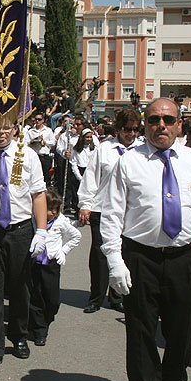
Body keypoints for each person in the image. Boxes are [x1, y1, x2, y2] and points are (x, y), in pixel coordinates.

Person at [101, 97, 191, 381]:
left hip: (185, 257)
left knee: (182, 328)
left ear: (179, 125)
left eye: (168, 120)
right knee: (141, 330)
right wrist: (114, 260)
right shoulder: (128, 162)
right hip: (141, 257)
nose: (161, 126)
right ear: (145, 124)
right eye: (154, 119)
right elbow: (113, 215)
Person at [0, 121, 47, 372]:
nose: (1, 132)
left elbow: (38, 194)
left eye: (7, 127)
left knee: (21, 288)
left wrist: (41, 230)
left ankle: (19, 335)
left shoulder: (27, 155)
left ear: (15, 129)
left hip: (19, 229)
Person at [77, 109, 143, 314]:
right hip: (103, 207)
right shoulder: (104, 149)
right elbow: (92, 177)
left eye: (135, 130)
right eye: (126, 129)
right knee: (99, 254)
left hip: (130, 210)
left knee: (124, 253)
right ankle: (96, 296)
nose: (131, 134)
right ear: (117, 129)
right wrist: (85, 204)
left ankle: (118, 296)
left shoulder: (143, 150)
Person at [29, 189, 80, 345]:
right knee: (36, 295)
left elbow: (76, 236)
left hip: (52, 264)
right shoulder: (33, 219)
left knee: (52, 299)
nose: (53, 213)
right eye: (50, 209)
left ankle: (47, 318)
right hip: (35, 263)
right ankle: (39, 329)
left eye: (56, 210)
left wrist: (63, 251)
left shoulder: (61, 221)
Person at [25, 111, 55, 186]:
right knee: (34, 177)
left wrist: (45, 142)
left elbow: (53, 142)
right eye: (36, 119)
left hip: (45, 156)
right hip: (35, 156)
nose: (37, 121)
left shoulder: (48, 130)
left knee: (46, 177)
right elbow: (26, 143)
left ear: (43, 120)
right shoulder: (31, 131)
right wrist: (35, 140)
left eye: (39, 119)